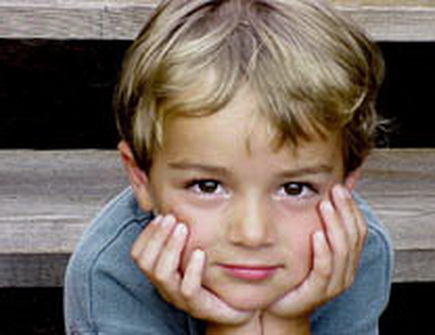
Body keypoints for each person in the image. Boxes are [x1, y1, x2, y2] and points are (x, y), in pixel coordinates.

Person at [64, 0, 393, 333]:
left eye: (295, 189)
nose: (252, 234)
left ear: (347, 182)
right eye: (207, 186)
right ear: (141, 179)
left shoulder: (357, 253)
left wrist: (286, 322)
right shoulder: (111, 274)